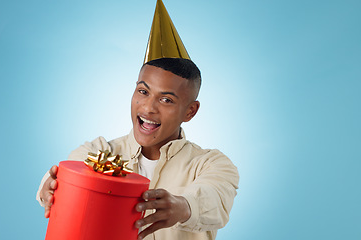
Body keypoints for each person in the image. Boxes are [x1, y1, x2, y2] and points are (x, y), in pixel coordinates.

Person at [36, 58, 239, 240]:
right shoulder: (99, 151)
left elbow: (215, 199)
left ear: (190, 111)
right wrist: (51, 184)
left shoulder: (212, 164)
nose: (148, 107)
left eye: (166, 100)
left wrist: (183, 206)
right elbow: (72, 171)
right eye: (143, 92)